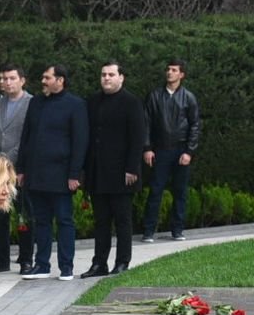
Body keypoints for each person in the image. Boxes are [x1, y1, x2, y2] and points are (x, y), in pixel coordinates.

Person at [18, 65, 87, 280]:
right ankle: (42, 265)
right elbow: (26, 137)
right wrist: (21, 169)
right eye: (43, 77)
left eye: (47, 77)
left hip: (61, 175)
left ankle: (66, 267)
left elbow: (80, 141)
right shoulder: (36, 102)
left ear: (60, 80)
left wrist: (75, 174)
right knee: (41, 221)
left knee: (64, 220)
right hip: (36, 173)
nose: (43, 81)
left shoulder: (75, 105)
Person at [81, 61, 147, 277]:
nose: (106, 78)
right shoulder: (93, 101)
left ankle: (122, 262)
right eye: (103, 75)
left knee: (122, 221)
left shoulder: (132, 102)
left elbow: (137, 138)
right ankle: (99, 263)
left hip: (122, 173)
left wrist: (132, 168)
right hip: (98, 172)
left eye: (111, 74)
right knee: (101, 222)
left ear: (121, 77)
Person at [140, 59, 202, 243]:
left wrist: (189, 151)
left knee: (180, 192)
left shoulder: (188, 97)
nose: (169, 72)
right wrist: (147, 148)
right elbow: (146, 124)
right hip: (160, 150)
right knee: (155, 191)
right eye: (168, 69)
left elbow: (195, 125)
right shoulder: (154, 96)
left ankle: (177, 230)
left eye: (174, 70)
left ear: (181, 74)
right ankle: (148, 231)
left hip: (181, 150)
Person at [0, 64, 33, 273]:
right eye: (4, 78)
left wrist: (7, 160)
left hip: (19, 169)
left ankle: (26, 259)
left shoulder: (31, 103)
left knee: (23, 215)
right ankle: (2, 260)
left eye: (12, 78)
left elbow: (27, 138)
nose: (7, 82)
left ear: (22, 80)